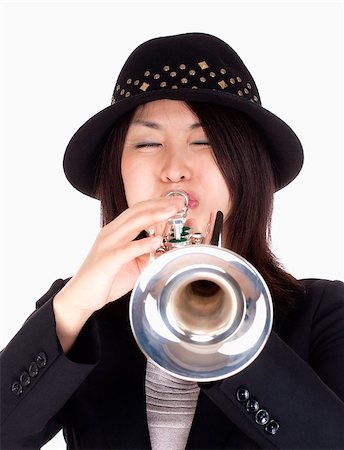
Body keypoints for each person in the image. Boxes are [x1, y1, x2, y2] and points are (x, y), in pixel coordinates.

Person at [1, 32, 343, 450]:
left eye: (205, 141)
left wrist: (221, 329)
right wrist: (72, 308)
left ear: (247, 164)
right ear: (118, 173)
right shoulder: (78, 314)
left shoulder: (324, 313)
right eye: (147, 143)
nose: (175, 169)